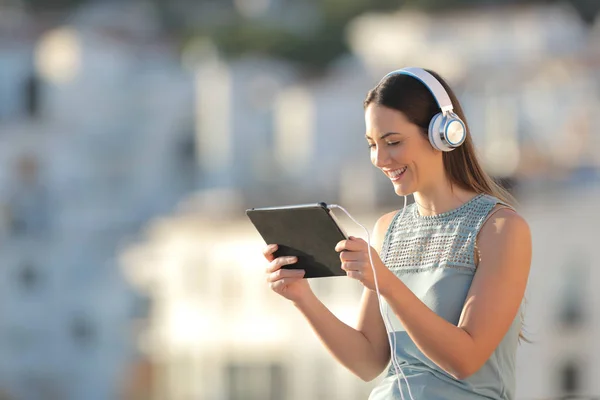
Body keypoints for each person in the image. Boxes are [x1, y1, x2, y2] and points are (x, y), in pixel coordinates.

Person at [262, 67, 532, 399]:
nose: (379, 158)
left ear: (443, 133)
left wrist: (385, 282)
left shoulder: (501, 228)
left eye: (393, 142)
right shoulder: (387, 229)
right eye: (372, 144)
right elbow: (368, 363)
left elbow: (465, 359)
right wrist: (302, 298)